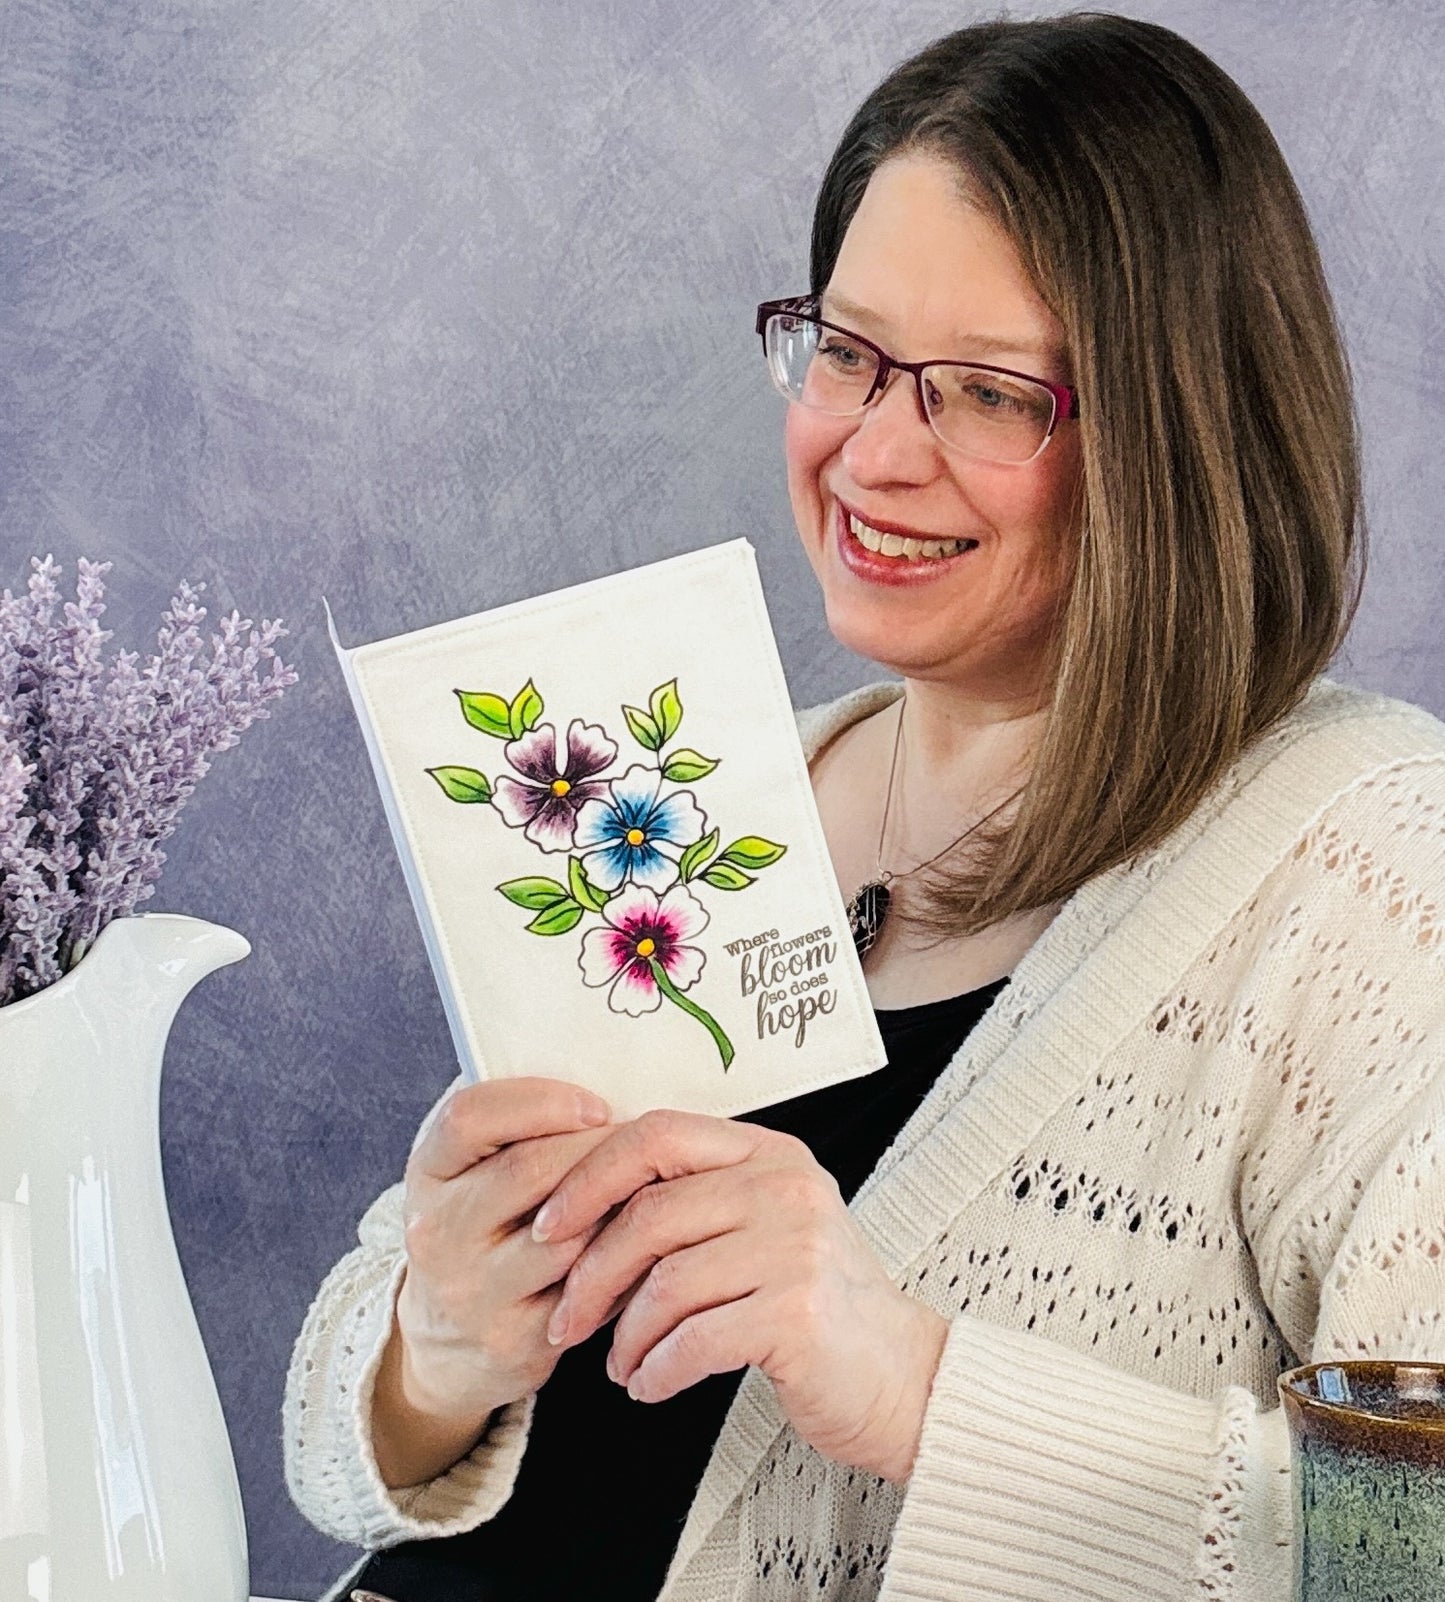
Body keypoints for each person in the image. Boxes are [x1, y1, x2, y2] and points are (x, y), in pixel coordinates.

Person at [284, 13, 1445, 1600]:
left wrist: (914, 1386)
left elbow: (1414, 1540)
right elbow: (355, 1451)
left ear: (1185, 433)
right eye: (847, 350)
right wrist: (431, 1352)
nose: (870, 452)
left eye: (981, 392)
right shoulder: (685, 793)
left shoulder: (1371, 860)